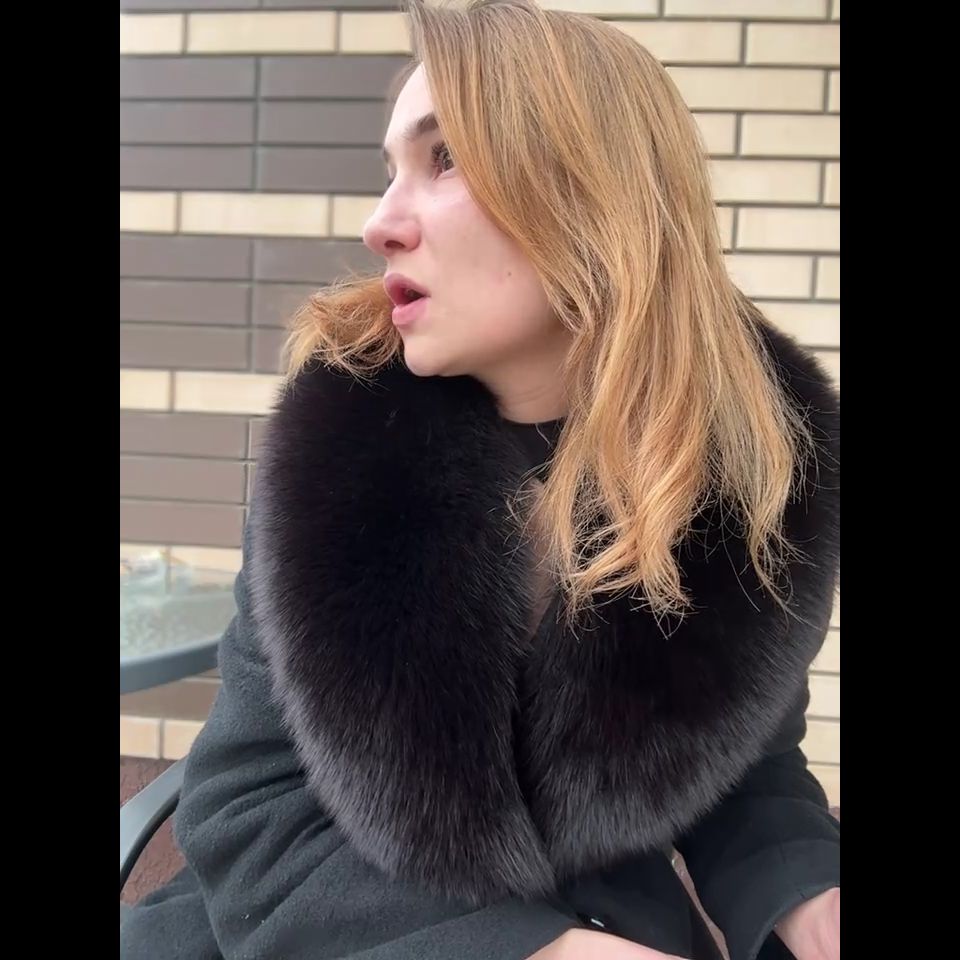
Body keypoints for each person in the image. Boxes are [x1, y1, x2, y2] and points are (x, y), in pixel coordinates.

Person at [120, 2, 840, 958]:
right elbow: (251, 804)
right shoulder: (346, 455)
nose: (380, 223)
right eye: (389, 170)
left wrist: (809, 890)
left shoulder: (753, 480)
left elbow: (745, 766)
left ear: (598, 193)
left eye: (446, 159)